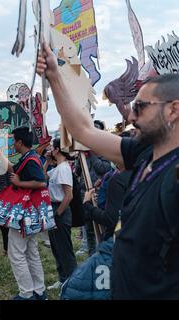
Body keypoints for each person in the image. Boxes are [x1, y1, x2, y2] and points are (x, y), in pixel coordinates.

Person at [37, 44, 179, 299]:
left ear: (173, 110)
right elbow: (84, 130)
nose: (132, 116)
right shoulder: (143, 151)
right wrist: (55, 77)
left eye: (141, 107)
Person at [0, 126, 48, 300]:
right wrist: (0, 154)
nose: (12, 143)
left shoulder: (31, 160)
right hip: (31, 212)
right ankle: (39, 291)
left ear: (20, 142)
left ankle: (26, 294)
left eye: (13, 140)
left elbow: (41, 182)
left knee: (16, 253)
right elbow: (13, 169)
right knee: (31, 252)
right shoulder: (29, 157)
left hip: (24, 213)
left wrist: (20, 182)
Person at [75, 120, 112, 256]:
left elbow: (104, 168)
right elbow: (78, 172)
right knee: (88, 227)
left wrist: (91, 153)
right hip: (85, 193)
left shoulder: (104, 151)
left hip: (98, 194)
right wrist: (80, 157)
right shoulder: (83, 153)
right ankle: (91, 253)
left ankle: (101, 253)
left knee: (100, 227)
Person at [44, 138, 77, 290]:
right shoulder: (57, 167)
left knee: (64, 249)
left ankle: (71, 282)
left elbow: (68, 196)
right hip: (54, 209)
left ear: (57, 149)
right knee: (56, 247)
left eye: (52, 147)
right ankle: (62, 278)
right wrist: (46, 161)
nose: (50, 148)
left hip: (60, 210)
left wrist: (58, 213)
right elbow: (43, 176)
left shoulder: (63, 168)